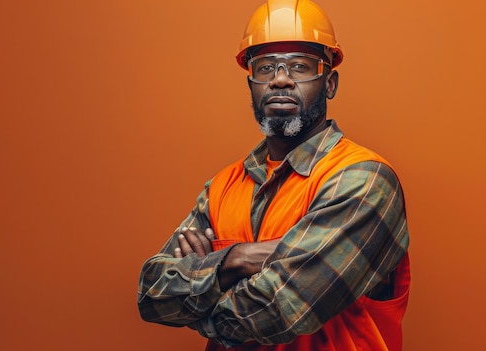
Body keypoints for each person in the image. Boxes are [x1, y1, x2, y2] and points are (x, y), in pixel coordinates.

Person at [137, 0, 410, 350]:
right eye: (265, 67)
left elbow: (278, 309)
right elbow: (151, 293)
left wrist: (200, 285)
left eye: (299, 66)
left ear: (330, 83)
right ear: (251, 82)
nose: (280, 79)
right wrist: (235, 260)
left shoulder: (364, 180)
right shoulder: (222, 187)